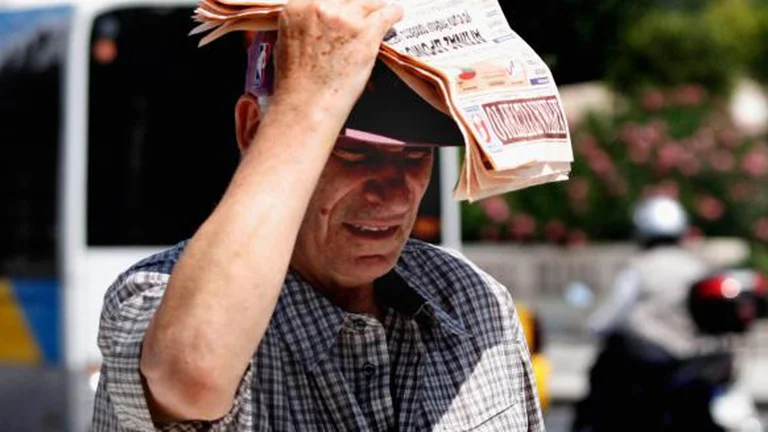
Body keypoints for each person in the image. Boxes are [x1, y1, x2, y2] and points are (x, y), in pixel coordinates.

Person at [91, 0, 544, 430]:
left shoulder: (472, 301)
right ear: (252, 129)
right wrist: (310, 97)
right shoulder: (155, 296)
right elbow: (192, 372)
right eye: (351, 152)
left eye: (414, 156)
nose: (392, 194)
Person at [572, 195, 710, 432]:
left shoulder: (638, 268)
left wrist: (590, 327)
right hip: (691, 360)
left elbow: (610, 315)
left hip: (645, 364)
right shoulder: (697, 267)